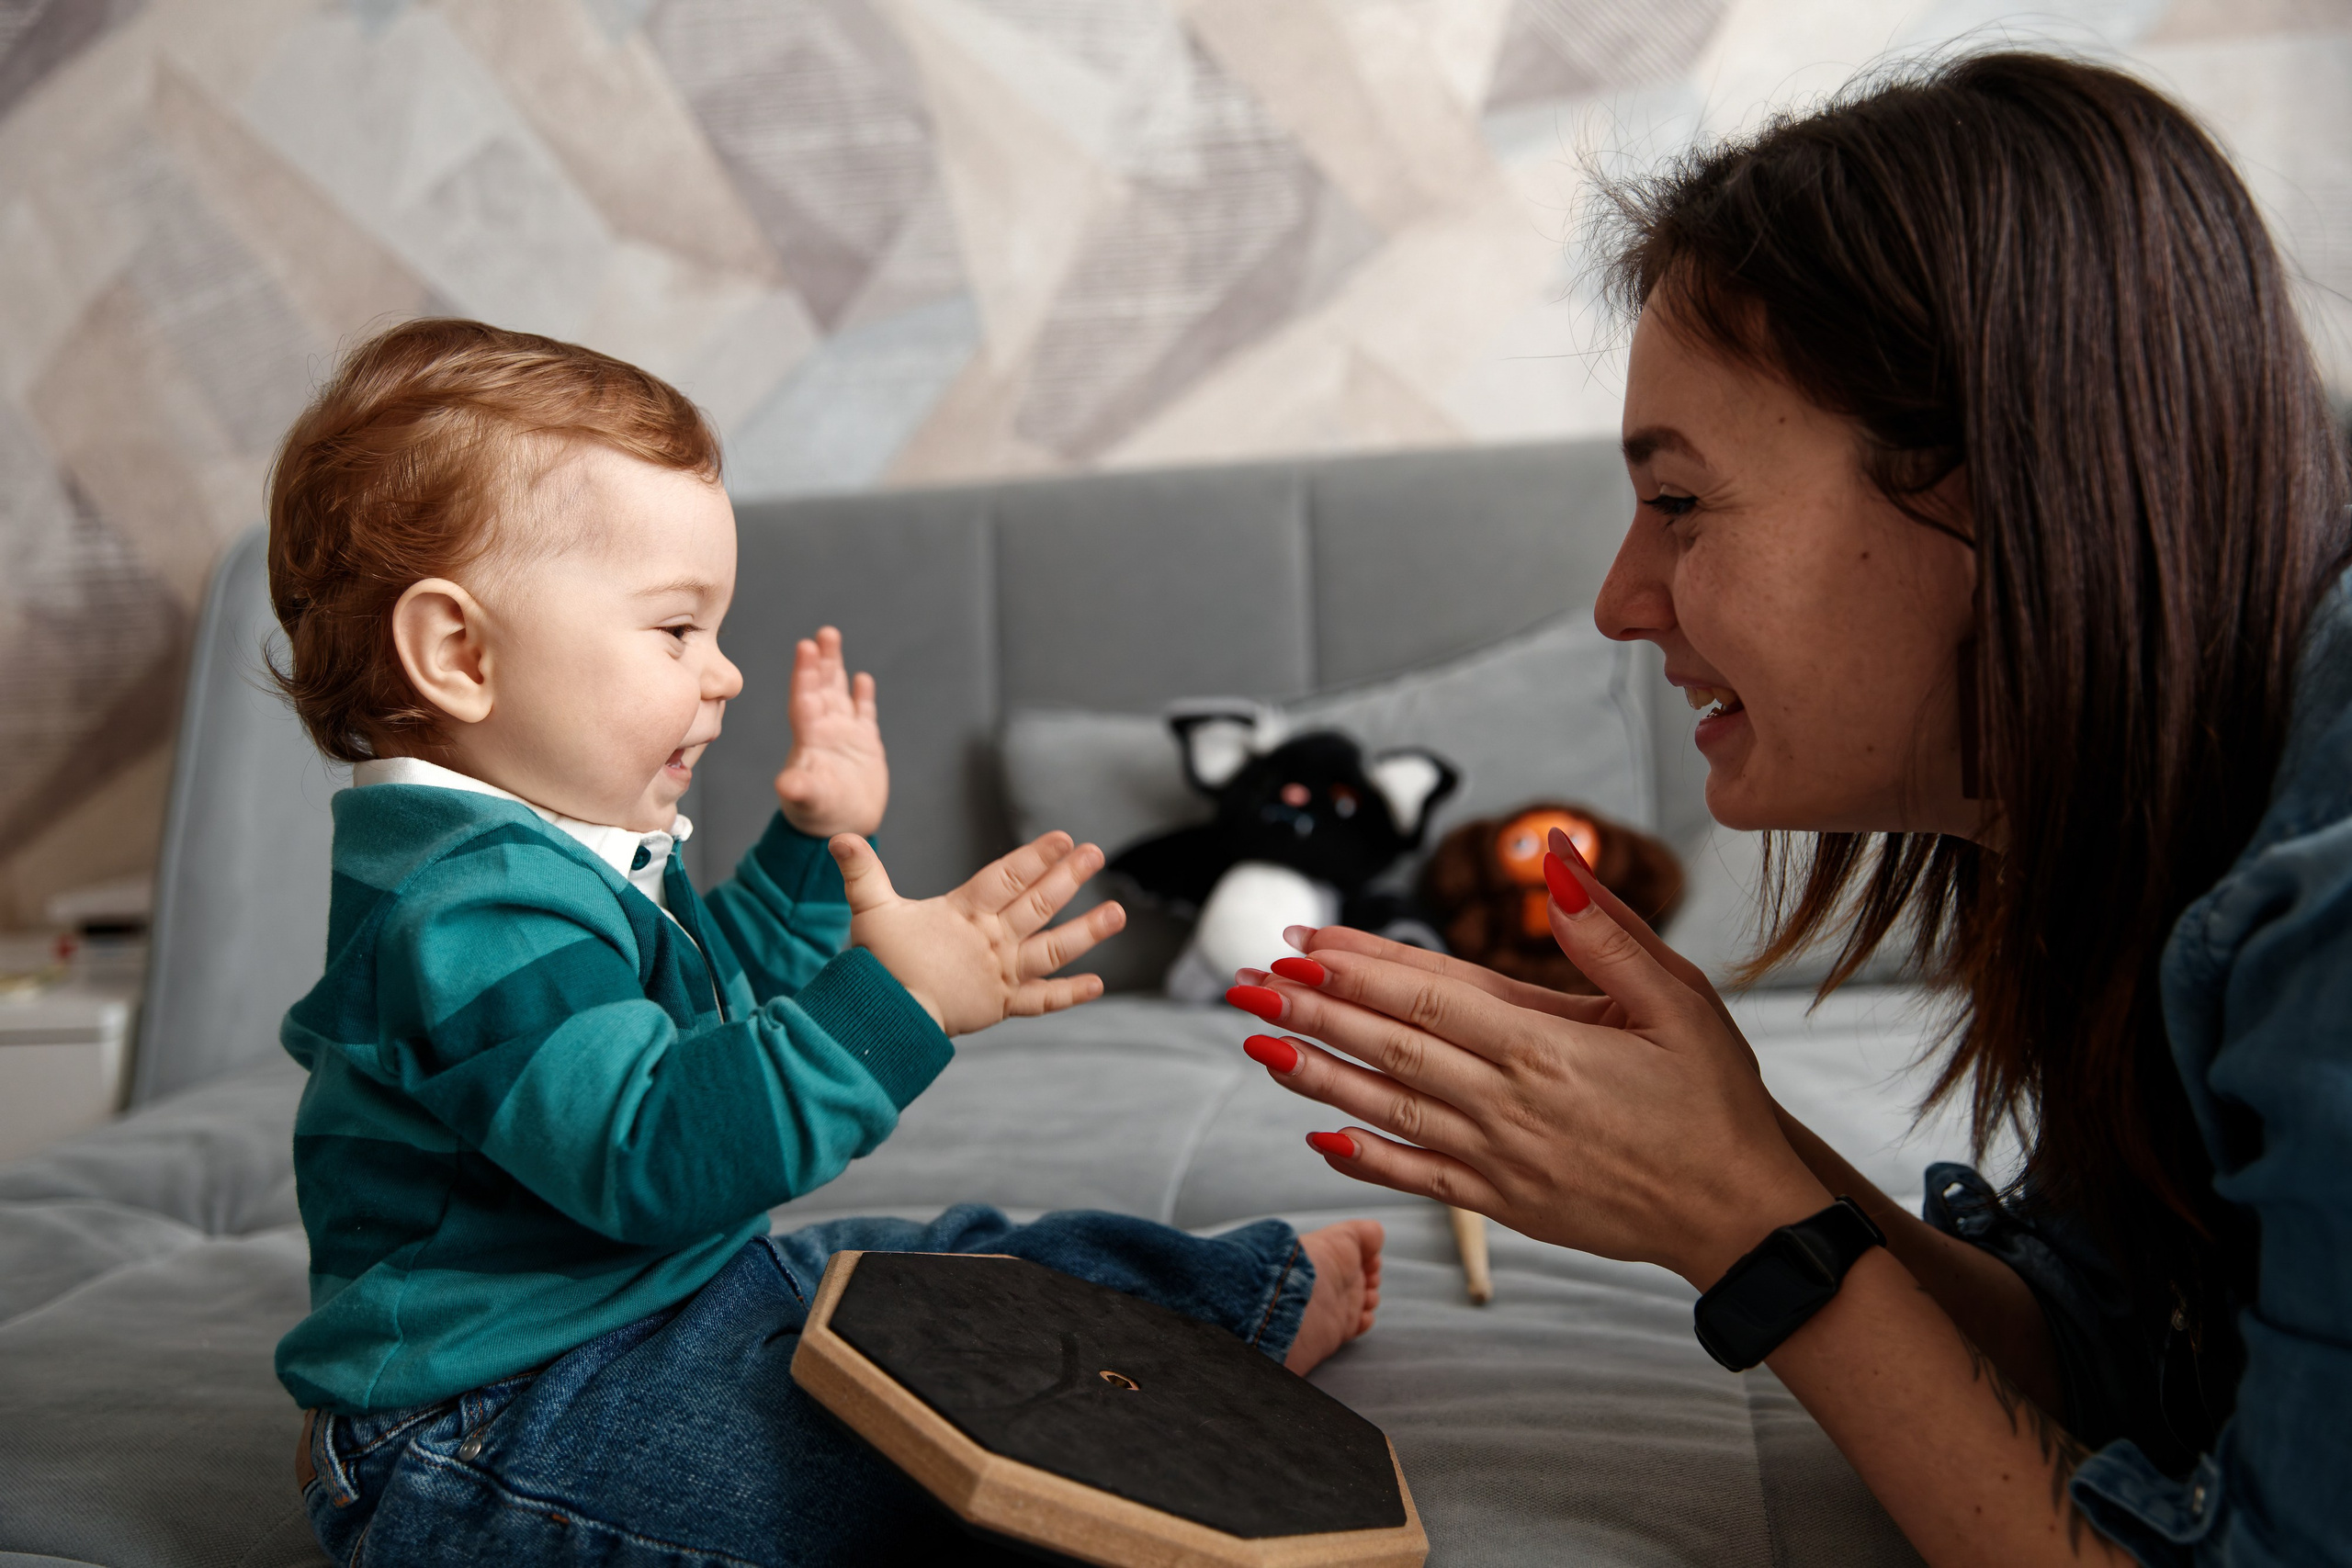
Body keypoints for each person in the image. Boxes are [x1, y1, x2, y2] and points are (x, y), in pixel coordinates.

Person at [1219, 52, 2351, 1567]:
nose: (1622, 603)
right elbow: (2124, 1365)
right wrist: (1733, 1143)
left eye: (1680, 504)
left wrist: (1748, 1227)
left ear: (1986, 483)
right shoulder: (2144, 826)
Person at [265, 319, 1384, 1567]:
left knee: (963, 1275)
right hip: (484, 1422)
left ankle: (1235, 1303)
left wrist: (807, 847)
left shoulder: (561, 857)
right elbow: (657, 1148)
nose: (726, 674)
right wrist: (897, 1000)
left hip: (669, 1301)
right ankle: (1134, 1440)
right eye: (677, 629)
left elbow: (712, 1012)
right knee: (895, 1483)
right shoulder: (468, 912)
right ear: (461, 654)